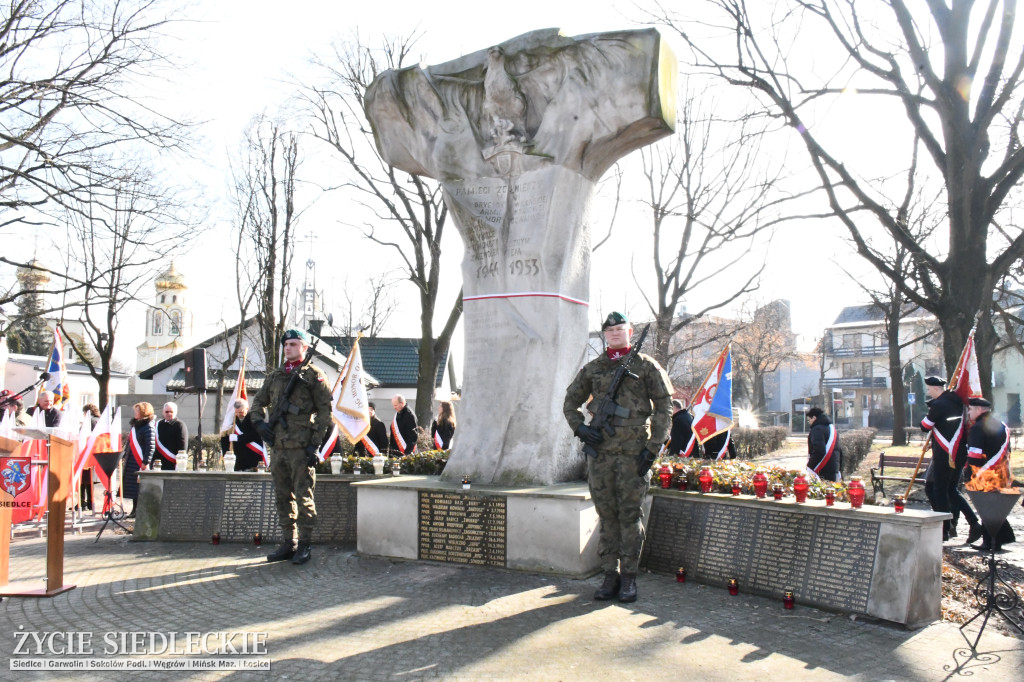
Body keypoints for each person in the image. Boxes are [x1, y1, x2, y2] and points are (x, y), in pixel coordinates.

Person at [563, 311, 673, 604]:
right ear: (605, 334)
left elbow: (665, 407)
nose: (614, 333)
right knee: (607, 515)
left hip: (634, 454)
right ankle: (609, 575)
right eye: (610, 330)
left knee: (630, 516)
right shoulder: (593, 368)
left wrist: (653, 448)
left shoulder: (646, 366)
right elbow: (570, 402)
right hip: (600, 454)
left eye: (620, 329)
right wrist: (581, 429)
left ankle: (629, 578)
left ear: (630, 332)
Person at [249, 329, 333, 566]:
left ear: (304, 347)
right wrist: (259, 424)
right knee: (282, 496)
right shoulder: (276, 376)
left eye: (294, 344)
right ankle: (289, 542)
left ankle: (305, 544)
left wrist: (315, 444)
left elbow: (325, 412)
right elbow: (258, 402)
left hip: (301, 447)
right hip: (278, 446)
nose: (288, 348)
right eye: (286, 344)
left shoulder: (315, 375)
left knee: (304, 497)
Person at [921, 376, 982, 543]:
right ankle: (973, 523)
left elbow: (924, 426)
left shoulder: (939, 404)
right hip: (958, 453)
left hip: (945, 455)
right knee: (951, 490)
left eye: (929, 389)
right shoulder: (956, 401)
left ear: (935, 388)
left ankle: (944, 530)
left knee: (940, 491)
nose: (928, 392)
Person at [965, 397, 1016, 551]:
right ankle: (1000, 539)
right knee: (994, 509)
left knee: (986, 510)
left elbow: (974, 456)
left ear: (979, 410)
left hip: (984, 473)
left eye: (970, 409)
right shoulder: (1001, 425)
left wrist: (969, 473)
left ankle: (990, 542)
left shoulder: (977, 428)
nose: (969, 412)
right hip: (1002, 472)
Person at [122, 402, 156, 517]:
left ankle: (139, 511)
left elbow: (150, 446)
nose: (135, 412)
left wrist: (146, 461)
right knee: (133, 488)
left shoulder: (148, 426)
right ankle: (134, 510)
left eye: (137, 410)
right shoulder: (136, 425)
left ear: (144, 412)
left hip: (140, 461)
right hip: (132, 460)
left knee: (140, 487)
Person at [220, 399, 266, 472]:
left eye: (241, 412)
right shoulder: (232, 420)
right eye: (236, 412)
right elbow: (224, 437)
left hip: (252, 456)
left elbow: (255, 434)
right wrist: (226, 454)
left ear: (247, 408)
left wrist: (238, 438)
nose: (238, 414)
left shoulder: (254, 418)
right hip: (237, 459)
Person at [806, 407, 842, 481]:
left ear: (814, 418)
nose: (809, 422)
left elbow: (819, 450)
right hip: (834, 466)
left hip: (823, 468)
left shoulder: (817, 429)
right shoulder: (831, 428)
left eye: (809, 419)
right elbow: (839, 450)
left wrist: (810, 466)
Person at [79, 404, 101, 511]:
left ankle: (82, 503)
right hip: (95, 453)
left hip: (87, 453)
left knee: (83, 480)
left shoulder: (90, 421)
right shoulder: (98, 420)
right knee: (89, 481)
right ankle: (90, 503)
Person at [154, 402, 188, 471]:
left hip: (173, 462)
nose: (169, 414)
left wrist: (179, 462)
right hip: (159, 463)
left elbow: (182, 445)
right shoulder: (158, 424)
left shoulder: (180, 425)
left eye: (171, 412)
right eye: (166, 412)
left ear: (175, 412)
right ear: (163, 412)